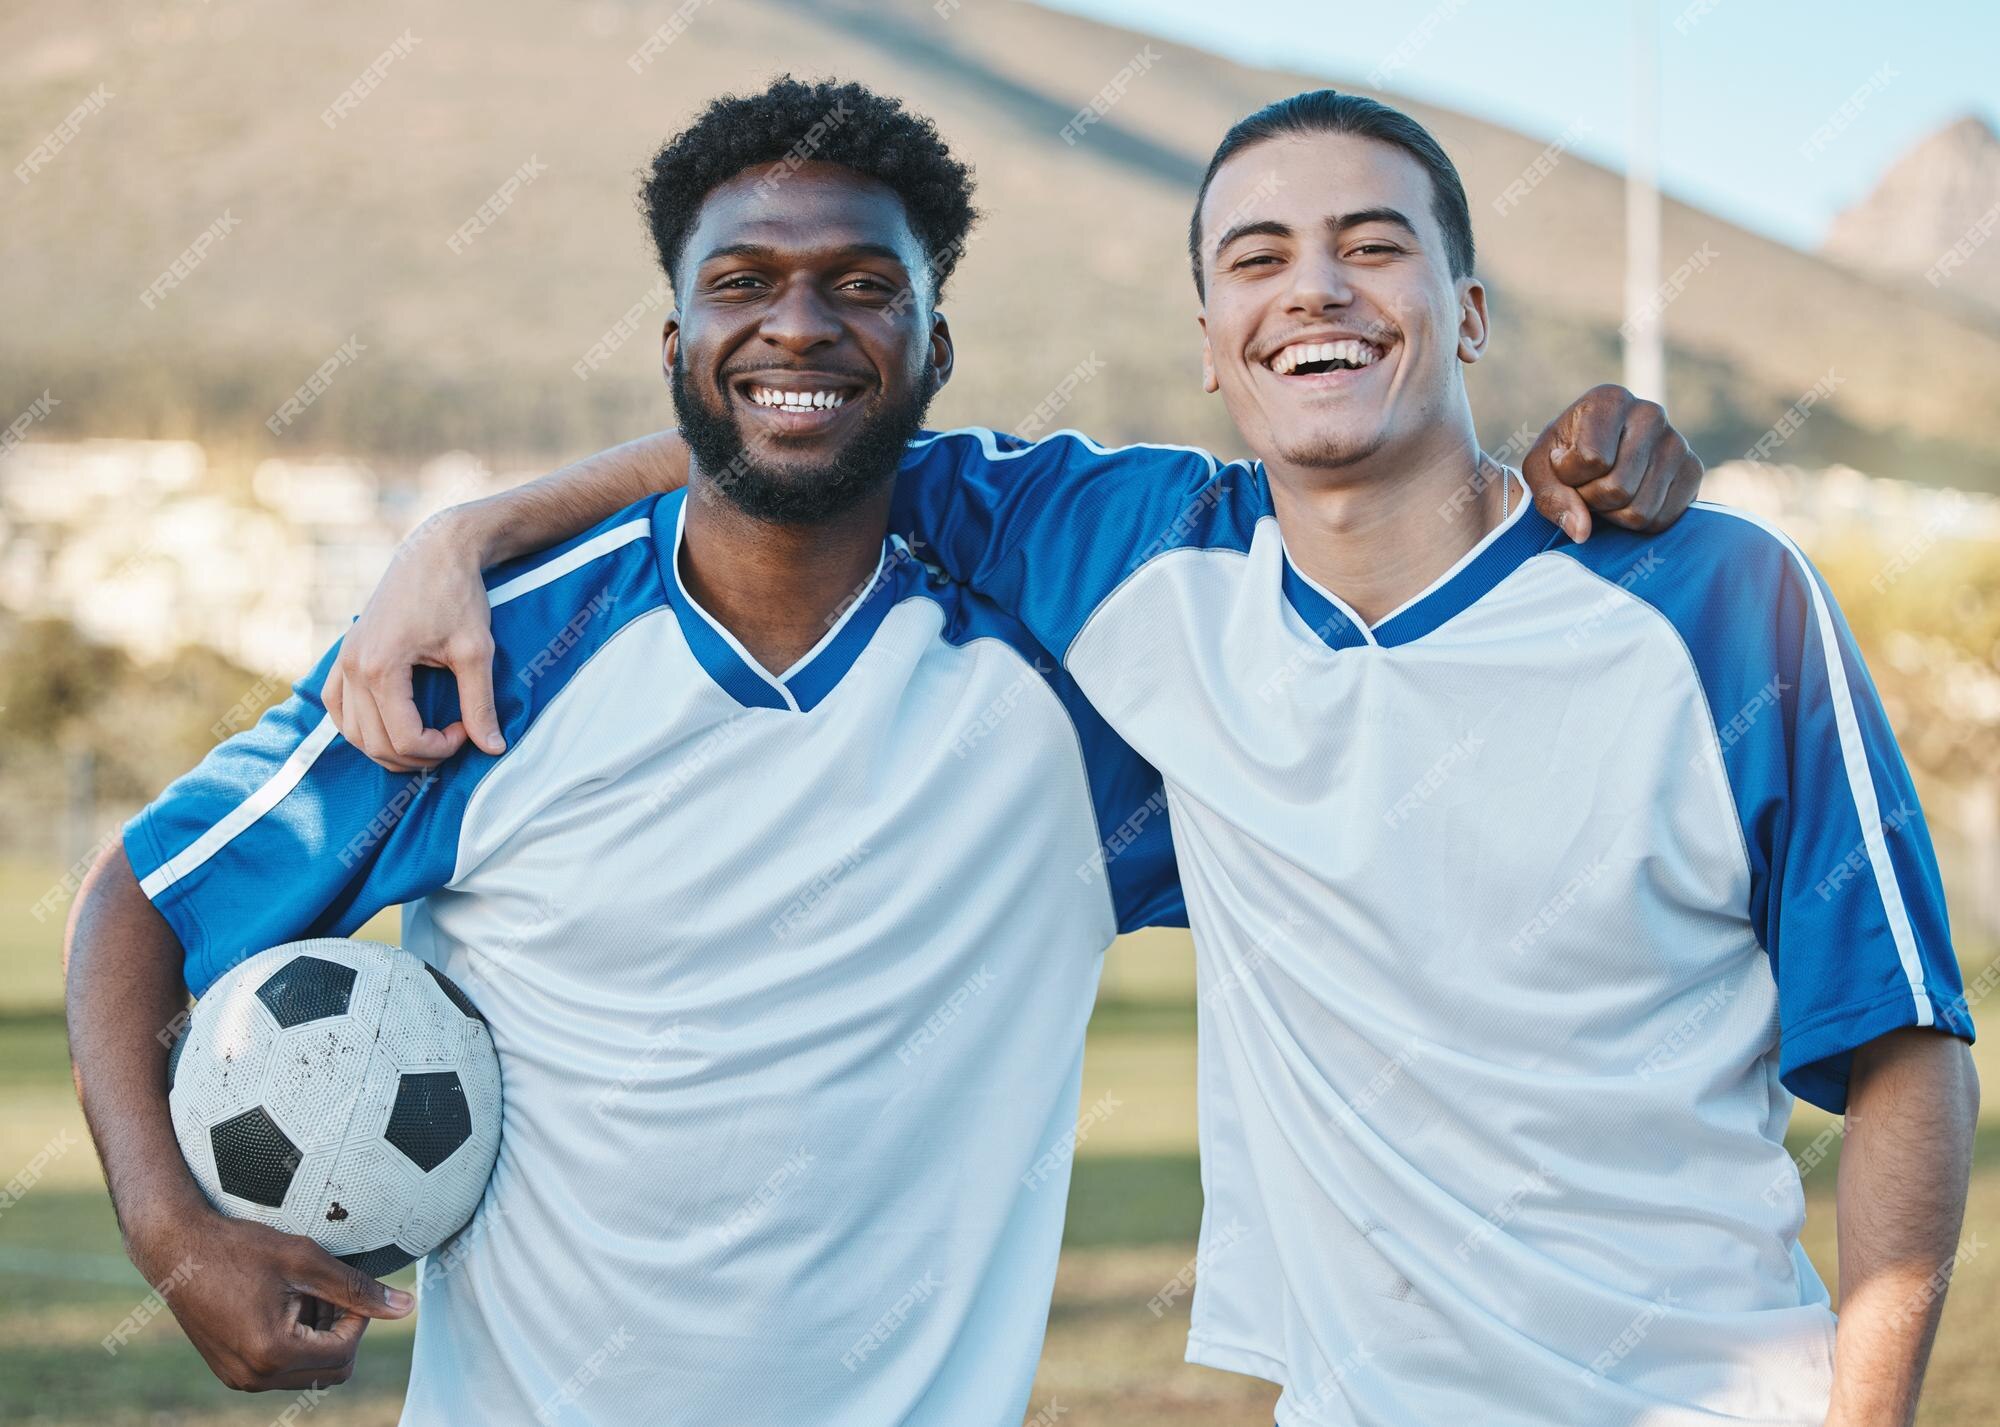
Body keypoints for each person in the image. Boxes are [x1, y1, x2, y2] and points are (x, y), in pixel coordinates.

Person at [63, 81, 1696, 1426]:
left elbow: (1364, 545)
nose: (801, 325)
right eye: (742, 286)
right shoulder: (499, 655)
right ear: (671, 341)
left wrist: (1568, 459)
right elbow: (144, 893)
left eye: (862, 288)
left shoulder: (1090, 670)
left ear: (936, 349)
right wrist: (169, 1229)